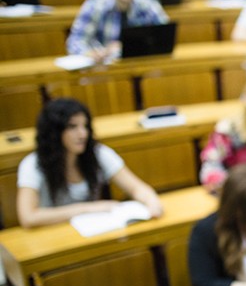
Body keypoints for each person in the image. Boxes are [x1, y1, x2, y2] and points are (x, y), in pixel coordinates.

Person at [16, 98, 163, 229]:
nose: (82, 134)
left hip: (91, 231)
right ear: (54, 132)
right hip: (53, 234)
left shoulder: (97, 153)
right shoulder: (32, 164)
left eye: (85, 126)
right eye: (72, 127)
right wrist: (90, 208)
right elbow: (28, 217)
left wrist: (152, 203)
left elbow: (137, 188)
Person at [65, 0, 168, 62]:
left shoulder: (148, 3)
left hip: (140, 65)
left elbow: (166, 35)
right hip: (102, 69)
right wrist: (90, 53)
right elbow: (74, 41)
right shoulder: (95, 5)